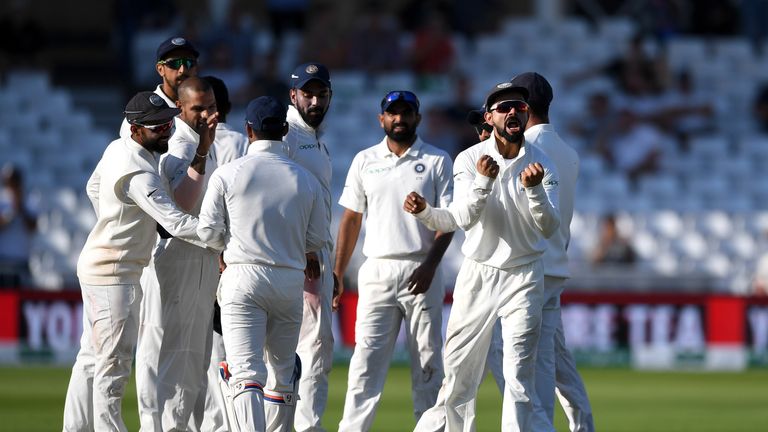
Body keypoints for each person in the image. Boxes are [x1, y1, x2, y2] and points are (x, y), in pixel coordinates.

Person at [406, 81, 561, 432]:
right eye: (504, 107)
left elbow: (550, 227)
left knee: (518, 375)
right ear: (489, 117)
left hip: (524, 274)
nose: (513, 112)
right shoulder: (469, 159)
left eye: (520, 107)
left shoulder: (542, 162)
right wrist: (482, 182)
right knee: (459, 373)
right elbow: (462, 218)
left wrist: (535, 191)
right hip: (479, 273)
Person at [63, 91, 203, 432]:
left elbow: (93, 187)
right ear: (136, 129)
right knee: (113, 365)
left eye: (169, 123)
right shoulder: (140, 173)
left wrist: (115, 222)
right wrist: (223, 235)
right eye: (158, 127)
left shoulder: (117, 148)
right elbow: (176, 223)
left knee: (93, 358)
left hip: (101, 266)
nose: (167, 130)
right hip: (115, 274)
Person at [197, 96, 326, 431]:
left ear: (249, 130)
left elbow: (207, 232)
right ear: (284, 130)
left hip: (242, 276)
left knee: (245, 373)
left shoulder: (228, 173)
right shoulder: (306, 179)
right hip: (289, 280)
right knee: (282, 375)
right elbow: (316, 240)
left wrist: (226, 247)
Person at [335, 90, 454, 431]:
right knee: (365, 363)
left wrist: (430, 265)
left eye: (406, 113)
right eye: (392, 113)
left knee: (428, 363)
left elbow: (449, 219)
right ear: (381, 119)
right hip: (377, 268)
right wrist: (338, 274)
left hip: (422, 268)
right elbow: (351, 219)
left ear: (418, 118)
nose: (399, 119)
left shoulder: (437, 160)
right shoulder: (365, 160)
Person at [134, 76, 222, 431]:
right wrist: (201, 153)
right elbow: (180, 208)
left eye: (211, 107)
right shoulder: (178, 147)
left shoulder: (203, 142)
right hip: (182, 257)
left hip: (200, 258)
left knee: (196, 361)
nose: (206, 115)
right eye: (198, 108)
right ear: (180, 109)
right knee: (181, 358)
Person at [510, 71, 595, 432]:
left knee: (530, 367)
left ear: (521, 106)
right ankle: (583, 426)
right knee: (554, 361)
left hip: (526, 270)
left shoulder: (525, 151)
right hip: (554, 266)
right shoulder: (569, 152)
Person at [191, 75, 250, 432]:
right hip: (231, 258)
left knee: (202, 355)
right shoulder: (242, 143)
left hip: (196, 253)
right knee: (228, 354)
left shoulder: (187, 141)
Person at [283, 62, 337, 432]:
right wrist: (305, 247)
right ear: (293, 95)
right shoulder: (288, 135)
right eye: (308, 94)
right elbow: (280, 194)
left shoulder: (316, 138)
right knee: (313, 347)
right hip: (302, 256)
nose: (315, 101)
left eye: (321, 94)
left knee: (311, 346)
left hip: (316, 255)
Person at [120, 36, 200, 138]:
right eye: (174, 63)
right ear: (160, 69)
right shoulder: (142, 111)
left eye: (189, 63)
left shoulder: (208, 106)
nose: (182, 70)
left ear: (196, 68)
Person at [0, 164, 37, 287]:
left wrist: (20, 208)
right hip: (3, 260)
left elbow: (33, 227)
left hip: (21, 260)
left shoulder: (29, 199)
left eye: (14, 180)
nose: (12, 184)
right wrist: (12, 212)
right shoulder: (1, 200)